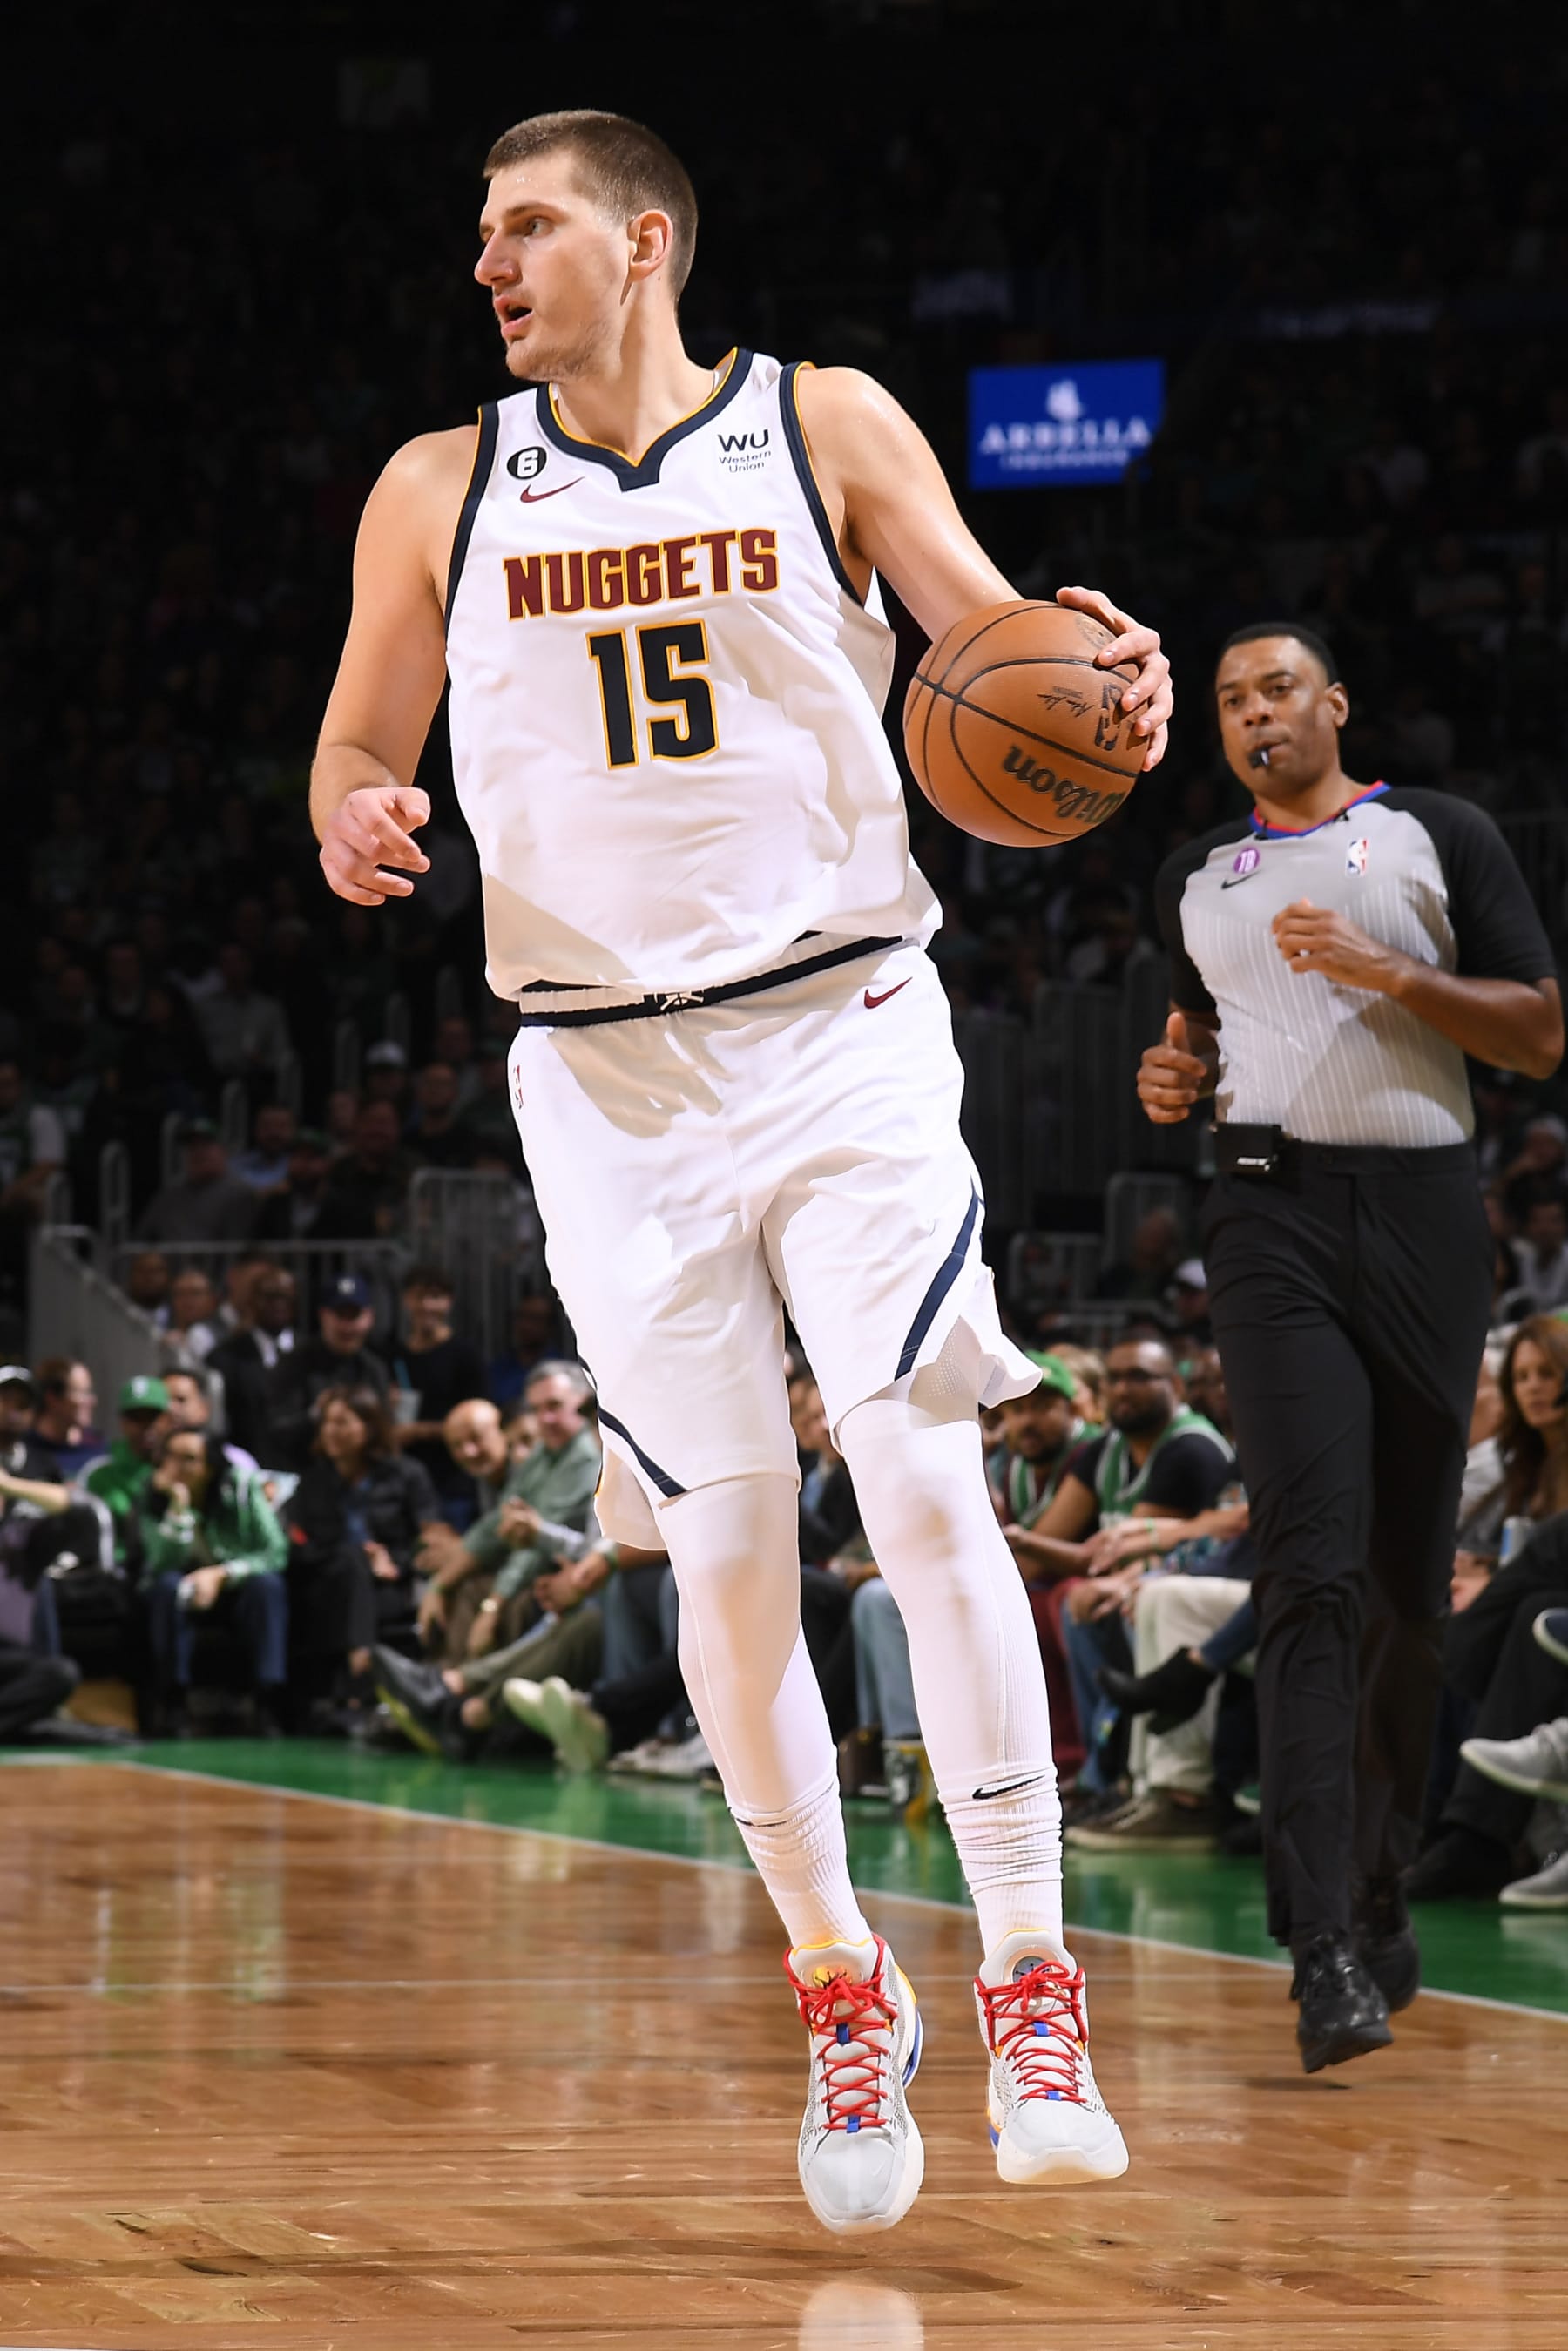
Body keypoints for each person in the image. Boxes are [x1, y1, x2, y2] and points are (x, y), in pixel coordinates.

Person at [310, 107, 1172, 2227]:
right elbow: (355, 737)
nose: (489, 264)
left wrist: (1113, 688)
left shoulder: (827, 422)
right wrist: (349, 807)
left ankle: (1033, 1976)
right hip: (604, 1076)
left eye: (528, 226)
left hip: (841, 1024)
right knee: (725, 1559)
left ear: (644, 242)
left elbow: (1004, 655)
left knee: (923, 1476)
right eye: (482, 232)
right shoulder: (437, 485)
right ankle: (842, 1980)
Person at [1137, 621, 1561, 2072]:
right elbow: (1198, 1040)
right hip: (1268, 1213)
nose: (1253, 712)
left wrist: (1392, 972)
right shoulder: (1194, 874)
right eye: (1229, 699)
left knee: (1403, 1589)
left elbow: (1538, 1032)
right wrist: (1175, 1072)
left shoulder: (1440, 834)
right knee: (1308, 1567)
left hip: (1427, 1211)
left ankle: (1378, 1882)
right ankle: (1319, 1934)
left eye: (1277, 688)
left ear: (1335, 703)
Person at [414, 1361, 601, 1662]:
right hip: (543, 1567)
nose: (545, 1419)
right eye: (537, 1409)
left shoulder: (586, 1453)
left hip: (569, 1572)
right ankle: (443, 1678)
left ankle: (461, 1684)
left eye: (554, 1406)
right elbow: (493, 1528)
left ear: (583, 1402)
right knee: (469, 1586)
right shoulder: (545, 1452)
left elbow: (533, 1545)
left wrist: (493, 1606)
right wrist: (439, 1585)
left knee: (514, 1601)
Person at [286, 1383, 441, 1719]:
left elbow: (429, 1538)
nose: (331, 1431)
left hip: (389, 1585)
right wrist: (353, 1555)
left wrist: (394, 1562)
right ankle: (362, 1672)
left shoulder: (406, 1474)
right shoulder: (312, 1482)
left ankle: (354, 1685)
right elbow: (298, 1545)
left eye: (342, 1422)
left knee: (365, 1583)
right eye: (326, 1423)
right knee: (351, 1558)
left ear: (369, 1427)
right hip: (327, 1583)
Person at [139, 1427, 290, 1733]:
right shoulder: (153, 1493)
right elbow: (160, 1563)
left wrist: (223, 1574)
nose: (177, 1466)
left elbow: (275, 1551)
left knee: (268, 1586)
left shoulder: (241, 1486)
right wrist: (178, 1508)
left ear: (209, 1466)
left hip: (237, 1583)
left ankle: (267, 1700)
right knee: (164, 1587)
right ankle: (173, 1701)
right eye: (170, 1456)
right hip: (185, 1587)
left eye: (189, 1459)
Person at [379, 1265, 486, 1524]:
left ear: (449, 1302)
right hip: (402, 1481)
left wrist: (418, 1431)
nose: (427, 1306)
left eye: (435, 1297)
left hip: (453, 1482)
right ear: (406, 1300)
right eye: (419, 1297)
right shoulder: (393, 1357)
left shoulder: (465, 1355)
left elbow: (480, 1420)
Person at [263, 1273, 390, 1471]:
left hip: (363, 1476)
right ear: (323, 1316)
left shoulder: (374, 1368)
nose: (347, 1327)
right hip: (305, 1473)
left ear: (369, 1317)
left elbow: (384, 1431)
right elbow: (275, 1430)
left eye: (354, 1315)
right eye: (340, 1315)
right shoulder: (293, 1364)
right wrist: (315, 1415)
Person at [207, 1265, 298, 1463]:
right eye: (270, 1297)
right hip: (246, 1466)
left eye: (285, 1297)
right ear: (251, 1302)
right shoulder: (224, 1357)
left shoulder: (310, 1353)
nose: (278, 1304)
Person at [135, 1120, 260, 1246]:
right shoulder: (168, 1195)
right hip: (167, 1259)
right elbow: (140, 1241)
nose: (199, 1152)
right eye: (192, 1146)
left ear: (224, 1151)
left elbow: (238, 1249)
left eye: (206, 1145)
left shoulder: (240, 1194)